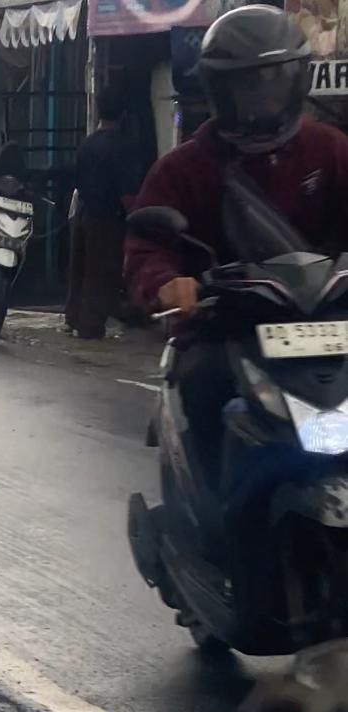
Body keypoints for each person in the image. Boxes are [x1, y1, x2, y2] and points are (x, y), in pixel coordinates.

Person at [124, 4, 348, 473]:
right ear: (220, 90)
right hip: (224, 326)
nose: (264, 97)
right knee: (203, 390)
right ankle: (212, 524)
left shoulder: (329, 149)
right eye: (250, 85)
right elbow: (146, 246)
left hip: (324, 321)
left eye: (276, 81)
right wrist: (167, 283)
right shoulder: (183, 168)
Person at [66, 86, 141, 339]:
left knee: (80, 268)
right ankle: (90, 327)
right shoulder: (122, 147)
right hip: (107, 218)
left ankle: (73, 318)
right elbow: (127, 188)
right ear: (123, 114)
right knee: (100, 273)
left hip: (83, 214)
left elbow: (76, 180)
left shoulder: (87, 144)